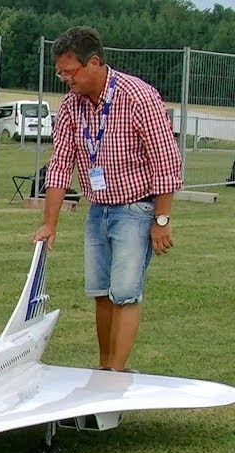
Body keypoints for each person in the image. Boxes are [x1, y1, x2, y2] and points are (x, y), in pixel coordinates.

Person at [32, 26, 181, 373]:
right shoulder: (71, 106)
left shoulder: (138, 96)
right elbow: (59, 166)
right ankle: (104, 368)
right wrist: (48, 223)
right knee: (101, 291)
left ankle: (116, 372)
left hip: (136, 209)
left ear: (94, 63)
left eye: (69, 72)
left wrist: (162, 219)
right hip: (98, 209)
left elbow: (165, 161)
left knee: (125, 292)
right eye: (60, 72)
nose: (64, 80)